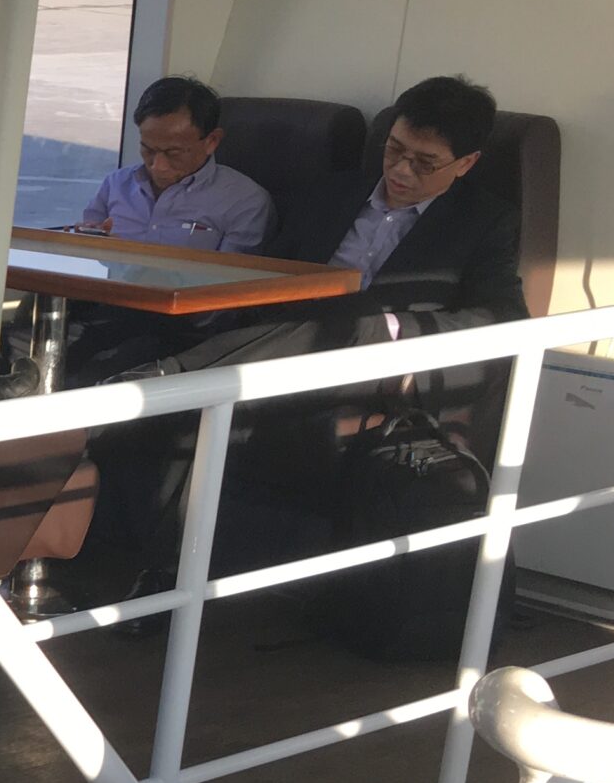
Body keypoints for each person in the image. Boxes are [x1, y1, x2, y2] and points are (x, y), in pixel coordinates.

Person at [91, 74, 520, 579]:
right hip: (284, 340)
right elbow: (266, 280)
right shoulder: (331, 193)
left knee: (347, 320)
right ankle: (144, 567)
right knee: (201, 404)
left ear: (466, 163)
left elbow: (503, 319)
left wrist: (392, 328)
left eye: (424, 163)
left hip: (375, 363)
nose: (401, 170)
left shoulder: (485, 222)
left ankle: (167, 380)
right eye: (394, 150)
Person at [76, 76, 271, 253]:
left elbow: (230, 276)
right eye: (148, 149)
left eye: (173, 153)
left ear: (212, 141)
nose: (158, 166)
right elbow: (86, 249)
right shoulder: (116, 184)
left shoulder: (244, 202)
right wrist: (88, 240)